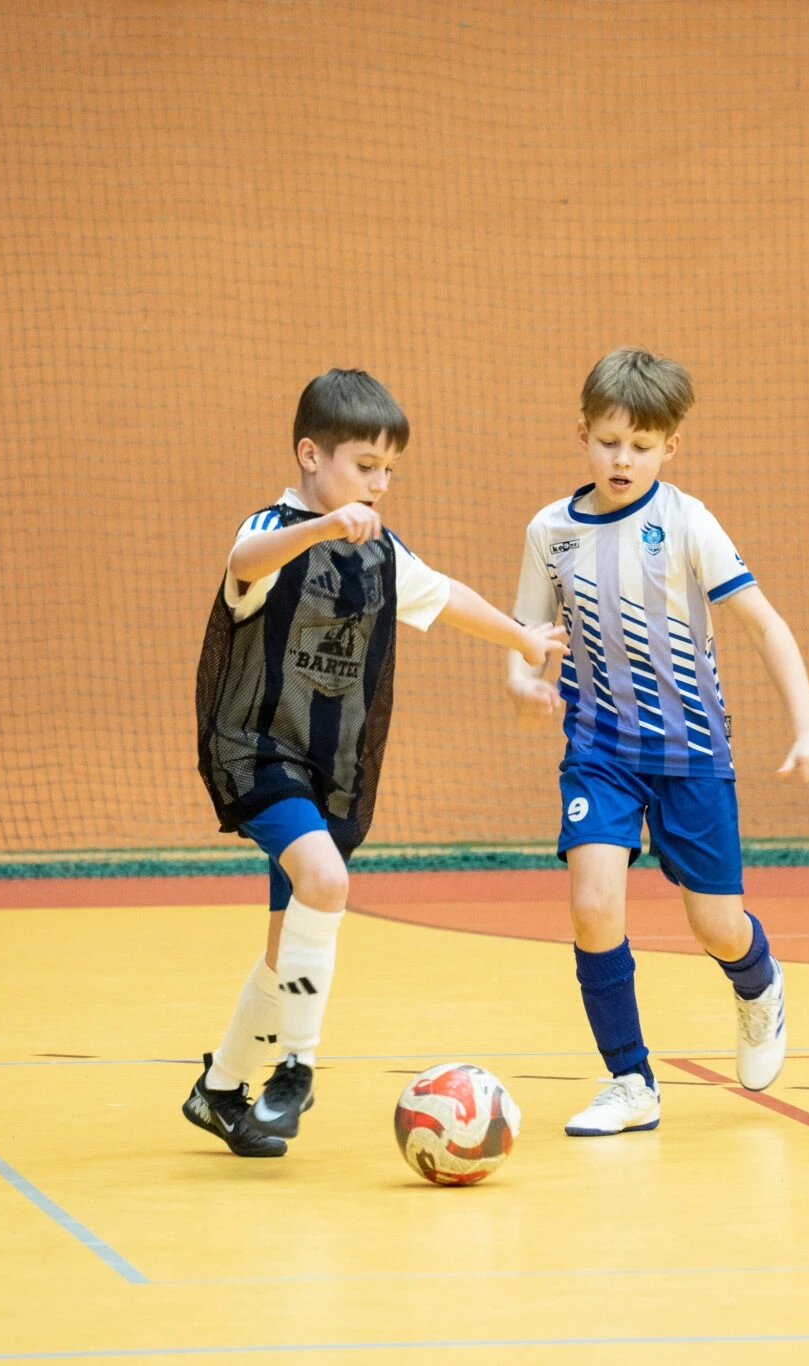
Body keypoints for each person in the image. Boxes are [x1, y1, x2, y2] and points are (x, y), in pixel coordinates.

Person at [184, 369, 567, 1157]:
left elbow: (447, 596)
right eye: (365, 465)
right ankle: (296, 1069)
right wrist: (323, 527)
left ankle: (219, 1089)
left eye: (389, 469)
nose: (380, 484)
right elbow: (245, 559)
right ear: (310, 455)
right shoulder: (275, 529)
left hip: (330, 768)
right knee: (327, 882)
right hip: (258, 750)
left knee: (285, 952)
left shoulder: (380, 552)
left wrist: (523, 639)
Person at [506, 346, 809, 1137]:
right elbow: (526, 635)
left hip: (691, 753)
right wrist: (523, 683)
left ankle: (758, 982)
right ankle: (631, 1081)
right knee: (593, 908)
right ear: (583, 435)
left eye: (642, 445)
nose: (623, 460)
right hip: (600, 751)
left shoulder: (687, 522)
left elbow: (765, 624)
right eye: (609, 442)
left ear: (671, 447)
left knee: (717, 927)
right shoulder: (550, 532)